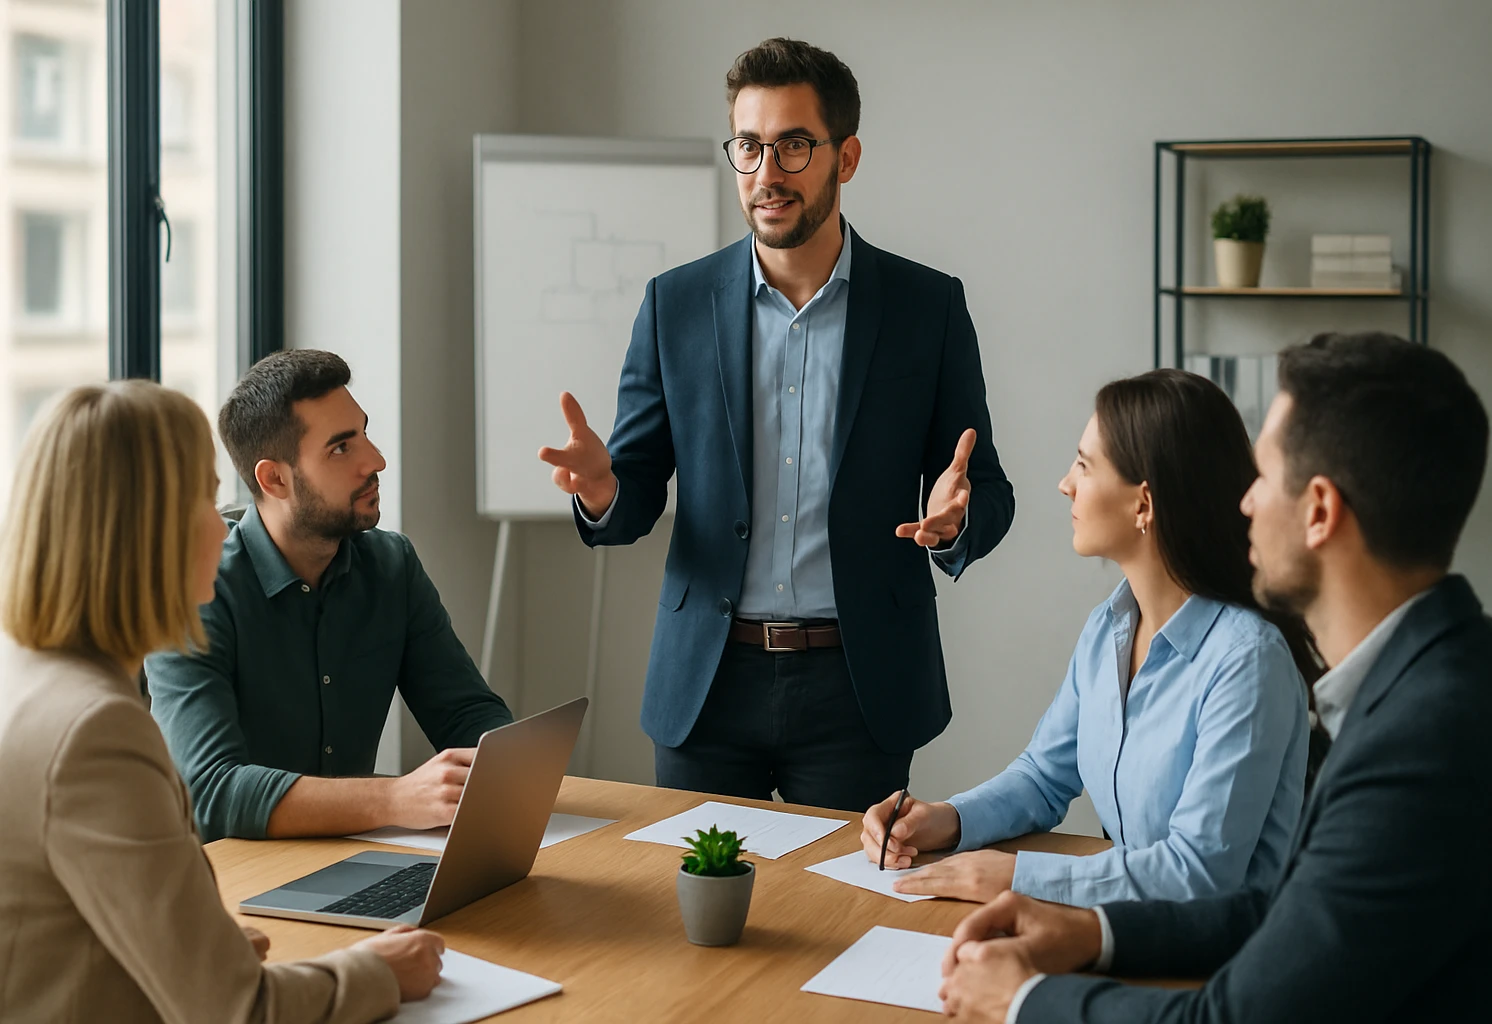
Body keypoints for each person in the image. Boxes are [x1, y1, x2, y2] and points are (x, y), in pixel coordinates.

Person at [938, 332, 1492, 1023]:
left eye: (1263, 477)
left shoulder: (1422, 746)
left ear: (1318, 511)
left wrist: (1022, 999)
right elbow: (1287, 912)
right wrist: (1096, 934)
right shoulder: (1452, 673)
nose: (1243, 502)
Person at [537, 37, 1014, 812]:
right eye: (749, 146)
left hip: (859, 685)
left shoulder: (926, 308)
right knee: (696, 892)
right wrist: (601, 490)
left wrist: (956, 521)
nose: (767, 173)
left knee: (844, 891)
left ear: (845, 157)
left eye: (794, 146)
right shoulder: (675, 304)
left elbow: (984, 486)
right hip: (708, 680)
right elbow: (635, 495)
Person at [0, 380, 445, 1023]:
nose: (222, 524)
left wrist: (205, 943)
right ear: (141, 532)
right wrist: (380, 971)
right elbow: (238, 1011)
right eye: (204, 500)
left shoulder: (34, 679)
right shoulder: (96, 732)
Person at [860, 369, 1316, 907]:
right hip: (1128, 930)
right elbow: (1043, 777)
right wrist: (945, 819)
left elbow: (1197, 874)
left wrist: (1017, 876)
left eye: (1083, 465)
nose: (1065, 484)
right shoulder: (1110, 627)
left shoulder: (1247, 661)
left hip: (1223, 949)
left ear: (1143, 503)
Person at [147, 350, 512, 842]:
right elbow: (209, 791)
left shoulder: (391, 566)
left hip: (354, 855)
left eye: (364, 433)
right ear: (274, 479)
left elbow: (466, 714)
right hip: (232, 874)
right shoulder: (196, 588)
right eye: (341, 448)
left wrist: (509, 772)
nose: (376, 461)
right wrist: (394, 799)